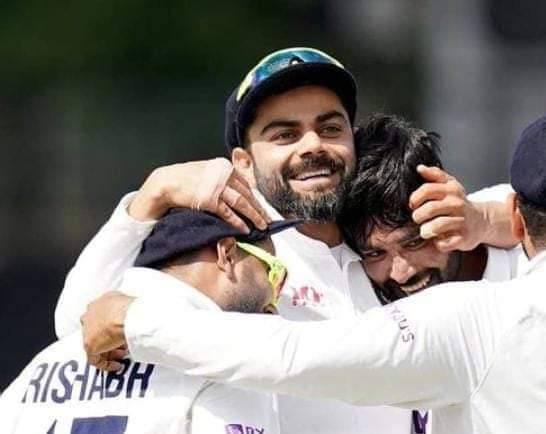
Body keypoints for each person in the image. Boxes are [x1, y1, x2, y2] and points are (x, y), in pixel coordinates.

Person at [82, 107, 546, 433]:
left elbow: (287, 355)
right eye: (375, 254)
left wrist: (136, 322)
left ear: (517, 217)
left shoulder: (479, 320)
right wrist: (486, 218)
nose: (400, 270)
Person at [52, 47, 514, 433]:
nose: (312, 146)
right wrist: (149, 197)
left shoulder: (379, 235)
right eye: (284, 135)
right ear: (244, 163)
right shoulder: (235, 257)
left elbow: (534, 212)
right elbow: (80, 325)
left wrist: (484, 217)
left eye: (330, 128)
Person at [0, 208, 300, 433]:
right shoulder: (229, 364)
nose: (274, 301)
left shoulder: (42, 366)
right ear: (227, 254)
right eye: (275, 274)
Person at [341, 114, 523, 304]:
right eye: (375, 254)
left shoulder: (525, 232)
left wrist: (486, 221)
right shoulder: (351, 295)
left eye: (414, 243)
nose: (401, 274)